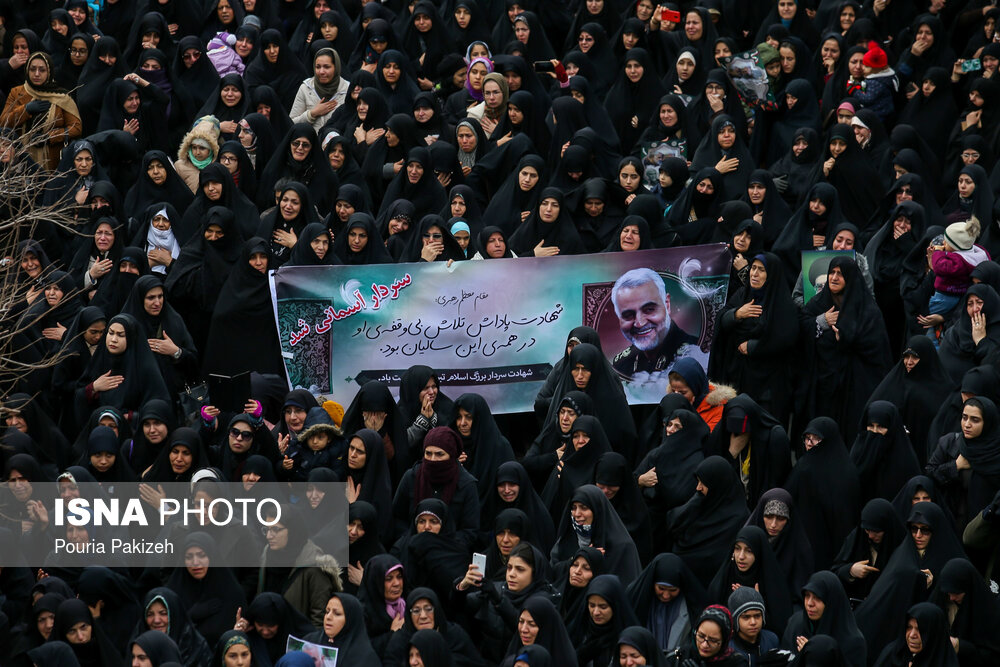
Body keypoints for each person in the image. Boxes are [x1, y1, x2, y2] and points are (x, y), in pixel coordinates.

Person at [610, 268, 707, 381]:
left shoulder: (698, 354)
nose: (639, 323)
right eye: (628, 315)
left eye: (649, 309)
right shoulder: (621, 364)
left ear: (667, 305)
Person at [727, 587, 779, 666]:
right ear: (735, 620)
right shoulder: (728, 649)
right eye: (746, 617)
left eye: (757, 616)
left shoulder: (771, 640)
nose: (753, 622)